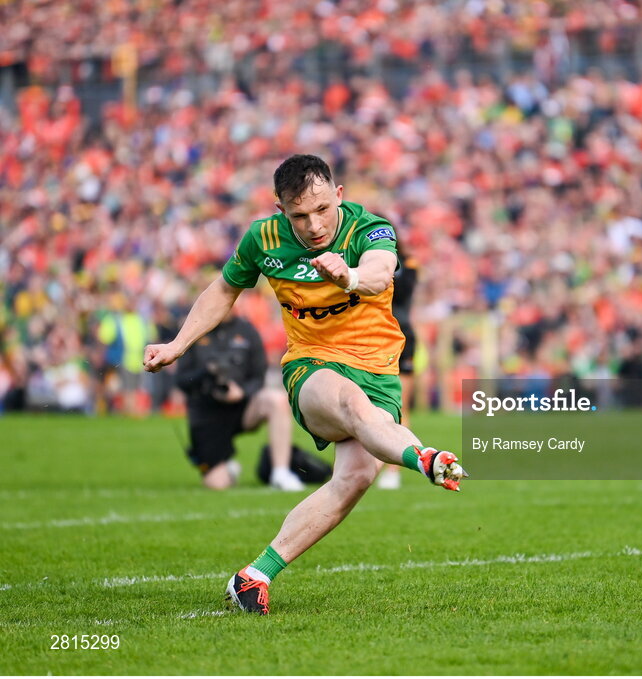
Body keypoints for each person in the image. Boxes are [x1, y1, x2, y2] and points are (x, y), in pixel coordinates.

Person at [143, 154, 466, 615]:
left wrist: (348, 276)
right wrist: (178, 343)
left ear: (338, 196)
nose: (314, 225)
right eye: (298, 215)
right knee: (353, 406)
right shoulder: (263, 239)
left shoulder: (369, 228)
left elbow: (378, 271)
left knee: (353, 478)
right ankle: (425, 458)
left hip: (379, 372)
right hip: (311, 367)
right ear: (281, 211)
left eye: (321, 210)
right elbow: (223, 290)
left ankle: (253, 576)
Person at [174, 311, 307, 492]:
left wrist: (242, 392)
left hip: (242, 407)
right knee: (217, 484)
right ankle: (227, 468)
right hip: (206, 413)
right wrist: (206, 372)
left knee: (276, 399)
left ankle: (280, 472)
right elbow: (181, 380)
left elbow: (259, 376)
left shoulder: (247, 330)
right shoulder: (193, 331)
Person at [376, 240, 419, 490]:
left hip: (401, 333)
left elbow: (401, 291)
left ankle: (393, 469)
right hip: (374, 334)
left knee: (399, 404)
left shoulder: (408, 264)